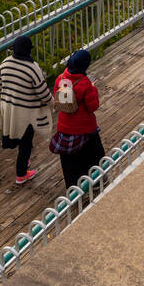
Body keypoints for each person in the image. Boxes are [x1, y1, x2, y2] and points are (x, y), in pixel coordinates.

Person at [0, 35, 52, 185]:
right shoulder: (32, 68)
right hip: (26, 112)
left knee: (18, 137)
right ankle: (21, 174)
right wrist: (53, 103)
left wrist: (6, 101)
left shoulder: (5, 63)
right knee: (26, 142)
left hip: (9, 108)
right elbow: (43, 92)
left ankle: (24, 163)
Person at [49, 48, 105, 193]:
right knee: (94, 156)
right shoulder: (85, 83)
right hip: (85, 129)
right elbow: (93, 106)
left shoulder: (61, 79)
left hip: (64, 128)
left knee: (70, 164)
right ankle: (96, 182)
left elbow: (61, 101)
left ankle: (73, 190)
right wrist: (93, 89)